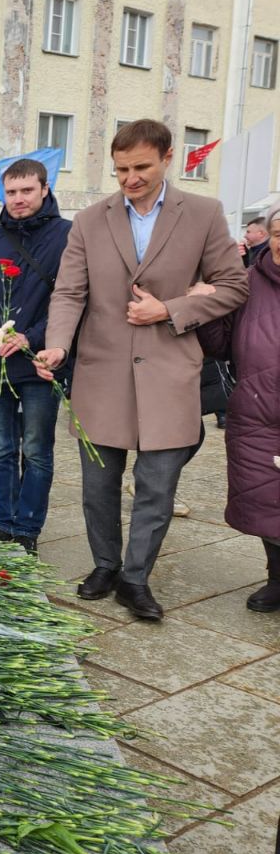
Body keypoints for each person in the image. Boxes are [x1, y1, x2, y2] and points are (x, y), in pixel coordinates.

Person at [37, 119, 248, 621]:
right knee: (97, 485)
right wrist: (57, 347)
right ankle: (105, 564)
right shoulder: (90, 220)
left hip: (170, 374)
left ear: (167, 159)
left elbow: (233, 285)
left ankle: (136, 578)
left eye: (141, 167)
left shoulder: (203, 213)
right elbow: (69, 292)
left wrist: (171, 309)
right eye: (121, 169)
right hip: (100, 372)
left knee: (157, 487)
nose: (130, 178)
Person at [0, 158, 72, 555]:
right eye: (11, 192)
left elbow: (70, 302)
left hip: (41, 366)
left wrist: (33, 338)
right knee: (1, 450)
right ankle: (3, 523)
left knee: (37, 451)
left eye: (27, 191)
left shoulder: (68, 237)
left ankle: (27, 529)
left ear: (44, 189)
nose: (19, 199)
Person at [198, 201, 280, 613]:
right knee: (267, 502)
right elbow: (219, 346)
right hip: (259, 415)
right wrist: (209, 304)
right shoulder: (246, 282)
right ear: (269, 236)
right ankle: (276, 580)